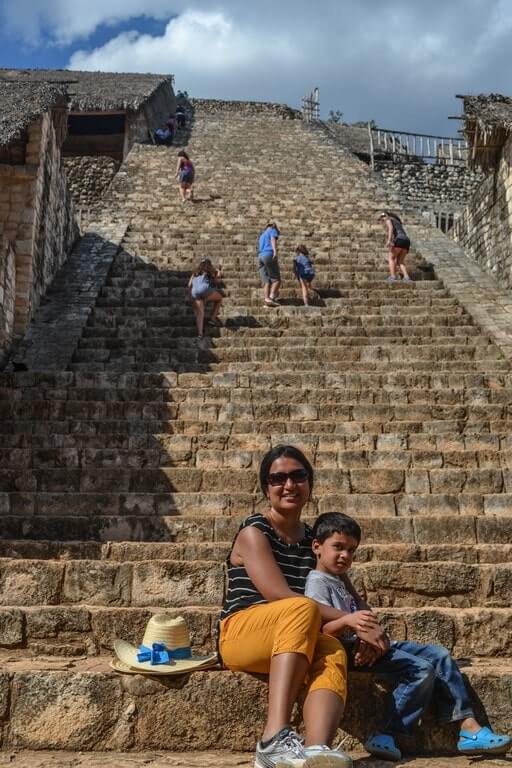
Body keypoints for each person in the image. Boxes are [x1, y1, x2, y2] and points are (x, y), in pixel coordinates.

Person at [218, 445, 389, 768]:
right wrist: (353, 621)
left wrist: (368, 626)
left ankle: (315, 751)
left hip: (292, 637)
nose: (289, 485)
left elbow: (350, 594)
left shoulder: (316, 539)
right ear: (266, 488)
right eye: (278, 478)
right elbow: (279, 596)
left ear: (309, 483)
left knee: (333, 649)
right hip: (241, 634)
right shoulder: (254, 533)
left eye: (298, 476)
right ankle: (273, 739)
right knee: (302, 609)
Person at [305, 512, 511, 762]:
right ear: (317, 546)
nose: (345, 556)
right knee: (421, 670)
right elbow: (321, 630)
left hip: (368, 644)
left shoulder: (338, 579)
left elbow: (362, 614)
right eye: (338, 547)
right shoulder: (317, 582)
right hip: (348, 652)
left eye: (351, 550)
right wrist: (350, 624)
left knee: (440, 654)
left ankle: (469, 728)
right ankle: (386, 732)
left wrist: (366, 633)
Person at [187, 259, 223, 338]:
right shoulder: (208, 271)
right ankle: (212, 319)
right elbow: (217, 281)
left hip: (194, 292)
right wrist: (219, 270)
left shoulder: (195, 273)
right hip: (204, 290)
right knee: (220, 298)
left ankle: (200, 334)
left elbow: (189, 285)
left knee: (200, 314)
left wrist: (190, 297)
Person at [379, 211, 412, 283]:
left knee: (391, 258)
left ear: (387, 215)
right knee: (400, 261)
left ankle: (393, 277)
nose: (383, 218)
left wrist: (389, 240)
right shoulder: (397, 221)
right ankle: (406, 277)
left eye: (383, 216)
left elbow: (390, 229)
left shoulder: (388, 219)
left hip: (399, 239)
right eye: (382, 217)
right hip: (406, 241)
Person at [258, 222, 281, 308]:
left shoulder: (262, 235)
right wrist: (275, 251)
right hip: (268, 254)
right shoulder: (272, 230)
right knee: (276, 280)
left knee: (266, 281)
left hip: (260, 256)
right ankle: (270, 299)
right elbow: (273, 239)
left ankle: (267, 299)